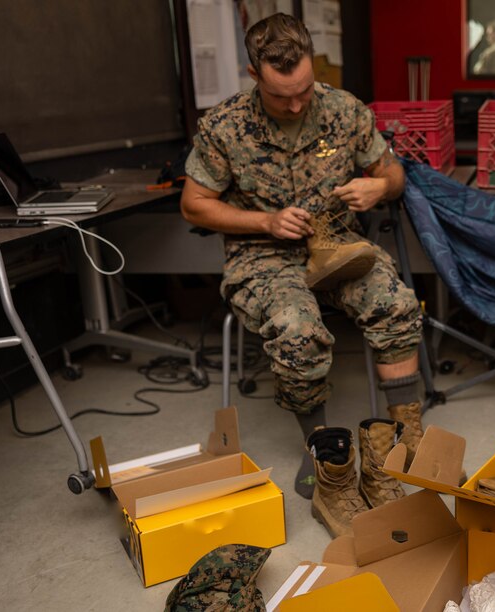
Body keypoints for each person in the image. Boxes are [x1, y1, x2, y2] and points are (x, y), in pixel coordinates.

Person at [180, 14, 425, 538]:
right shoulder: (223, 126)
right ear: (254, 74)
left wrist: (379, 188)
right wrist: (265, 221)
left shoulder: (344, 109)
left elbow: (393, 173)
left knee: (397, 304)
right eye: (280, 96)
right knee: (299, 329)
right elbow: (194, 204)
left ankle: (408, 440)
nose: (296, 106)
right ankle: (327, 459)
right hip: (263, 256)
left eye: (304, 91)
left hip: (337, 247)